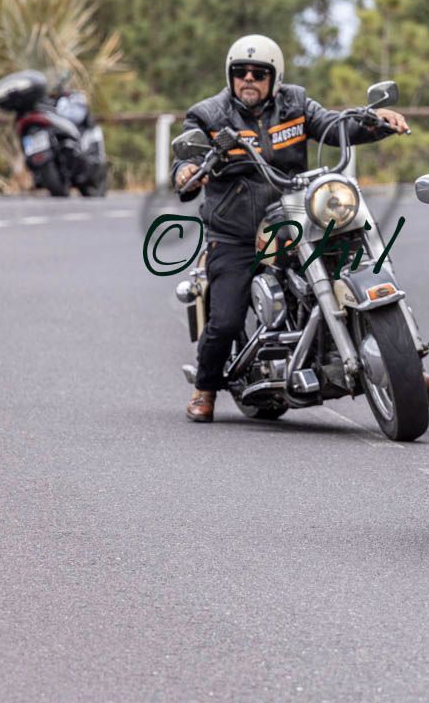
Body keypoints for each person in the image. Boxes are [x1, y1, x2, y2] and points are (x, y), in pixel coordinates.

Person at [172, 34, 411, 421]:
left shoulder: (295, 103)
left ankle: (406, 361)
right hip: (235, 232)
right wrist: (186, 171)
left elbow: (333, 126)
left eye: (259, 73)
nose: (249, 79)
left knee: (349, 251)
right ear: (230, 76)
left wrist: (375, 123)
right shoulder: (209, 115)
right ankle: (205, 388)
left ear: (275, 77)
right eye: (241, 73)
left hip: (293, 217)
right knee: (227, 316)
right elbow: (186, 160)